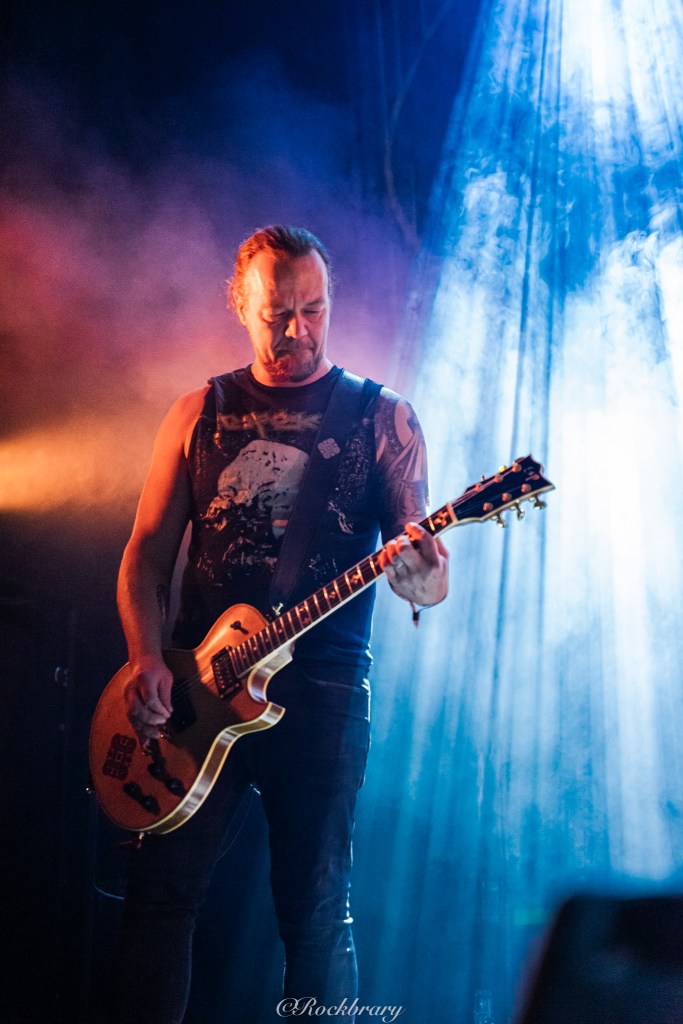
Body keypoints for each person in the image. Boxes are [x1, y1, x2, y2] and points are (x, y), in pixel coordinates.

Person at [112, 225, 448, 1022]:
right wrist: (144, 658)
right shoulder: (198, 412)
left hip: (323, 692)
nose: (297, 330)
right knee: (158, 899)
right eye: (276, 314)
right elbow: (144, 556)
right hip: (197, 689)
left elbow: (427, 580)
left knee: (315, 911)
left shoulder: (382, 419)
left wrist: (424, 576)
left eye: (313, 310)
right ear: (239, 305)